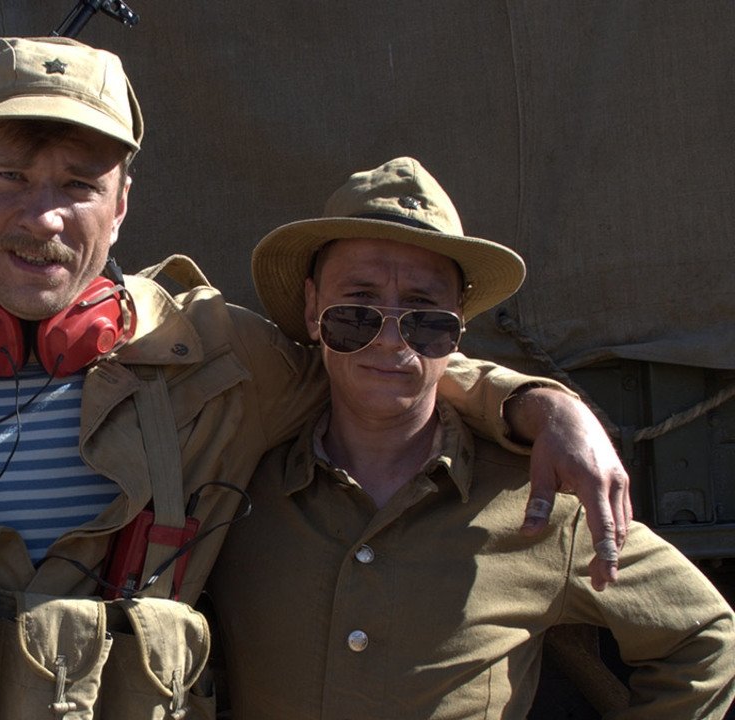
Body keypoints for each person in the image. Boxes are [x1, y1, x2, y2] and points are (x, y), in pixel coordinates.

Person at [0, 39, 628, 718]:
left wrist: (540, 404)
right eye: (9, 177)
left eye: (78, 184)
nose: (43, 216)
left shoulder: (215, 360)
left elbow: (385, 359)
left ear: (123, 205)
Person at [208, 156, 735, 719]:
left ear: (459, 324)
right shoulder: (241, 488)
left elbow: (705, 637)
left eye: (424, 316)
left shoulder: (539, 503)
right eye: (357, 310)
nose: (390, 339)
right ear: (313, 309)